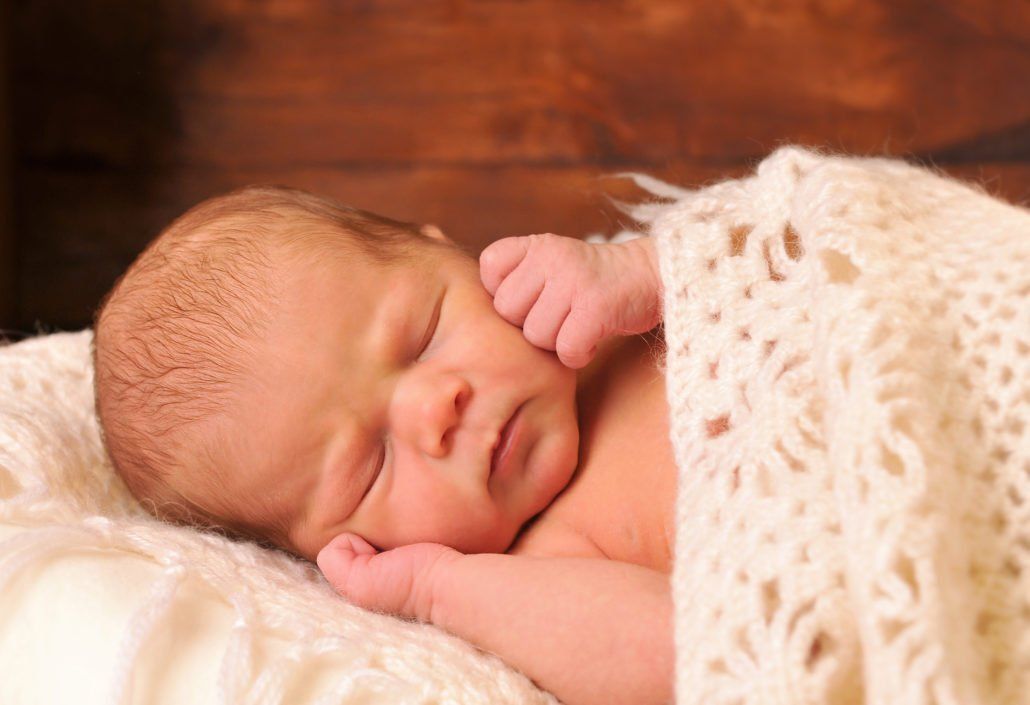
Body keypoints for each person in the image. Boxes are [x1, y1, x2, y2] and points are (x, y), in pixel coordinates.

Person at [92, 184, 676, 705]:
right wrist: (438, 590)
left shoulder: (610, 297)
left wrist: (652, 266)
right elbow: (694, 659)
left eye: (423, 338)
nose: (433, 411)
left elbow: (763, 241)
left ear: (453, 252)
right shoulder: (538, 577)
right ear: (346, 549)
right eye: (372, 465)